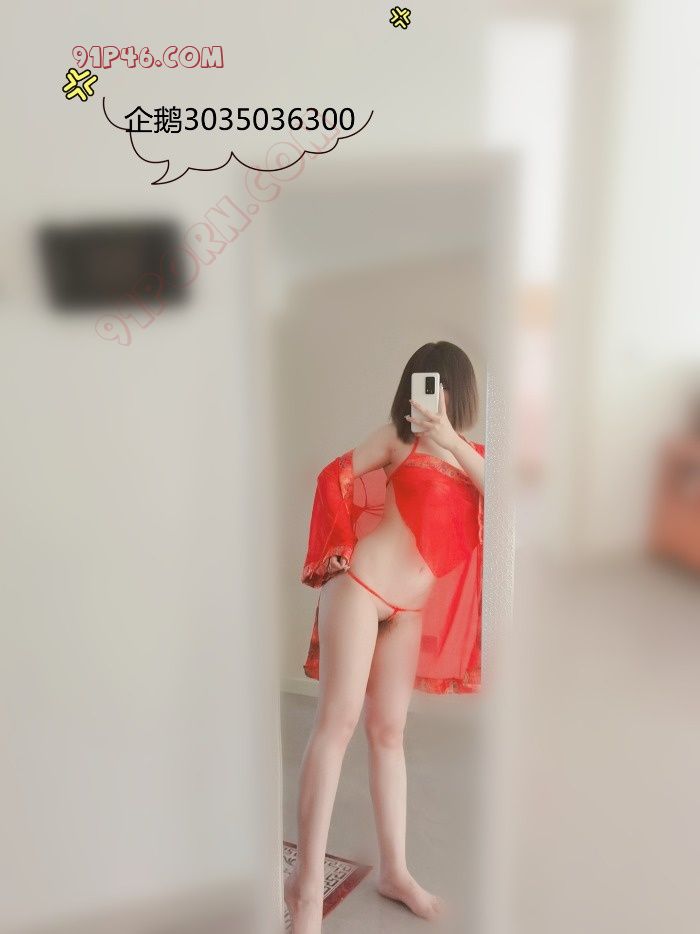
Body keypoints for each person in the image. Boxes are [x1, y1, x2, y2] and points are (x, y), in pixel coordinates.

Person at [284, 342, 485, 933]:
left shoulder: (474, 458)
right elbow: (335, 475)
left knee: (389, 734)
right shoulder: (399, 438)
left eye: (443, 386)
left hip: (408, 612)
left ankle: (395, 872)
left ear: (460, 393)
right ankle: (305, 893)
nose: (433, 396)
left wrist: (450, 440)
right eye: (426, 383)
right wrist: (338, 547)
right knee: (337, 724)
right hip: (361, 589)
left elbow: (511, 505)